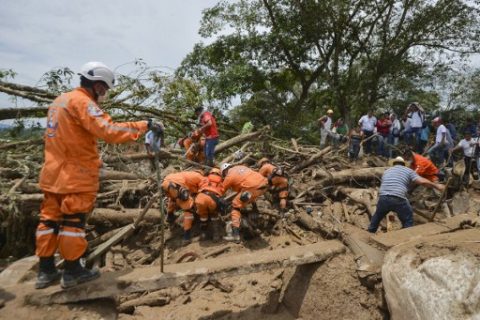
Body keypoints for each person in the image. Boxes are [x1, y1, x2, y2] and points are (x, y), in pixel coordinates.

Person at [35, 62, 160, 290]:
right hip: (74, 176)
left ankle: (45, 271)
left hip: (52, 173)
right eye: (105, 90)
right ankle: (72, 272)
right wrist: (144, 125)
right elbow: (109, 131)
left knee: (48, 221)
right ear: (99, 86)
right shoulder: (83, 102)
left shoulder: (59, 101)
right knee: (73, 223)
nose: (104, 95)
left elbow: (69, 138)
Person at [367, 157, 444, 233]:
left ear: (394, 164)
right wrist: (437, 186)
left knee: (377, 215)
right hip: (398, 198)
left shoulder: (387, 171)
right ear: (403, 165)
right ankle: (406, 235)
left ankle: (370, 231)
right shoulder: (408, 171)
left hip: (383, 197)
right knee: (408, 218)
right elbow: (422, 182)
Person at [221, 163, 268, 243]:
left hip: (251, 187)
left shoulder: (229, 176)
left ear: (225, 171)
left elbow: (221, 191)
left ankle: (235, 235)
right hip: (263, 184)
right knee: (248, 195)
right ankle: (255, 209)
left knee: (235, 206)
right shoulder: (241, 167)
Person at [162, 170, 204, 244]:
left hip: (167, 182)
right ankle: (186, 237)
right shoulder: (200, 177)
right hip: (176, 185)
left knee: (173, 199)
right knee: (189, 210)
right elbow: (202, 191)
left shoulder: (187, 174)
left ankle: (170, 216)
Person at [194, 167, 225, 241]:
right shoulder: (220, 181)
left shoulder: (204, 178)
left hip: (200, 198)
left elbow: (199, 186)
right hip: (212, 199)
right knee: (214, 215)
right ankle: (216, 235)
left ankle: (203, 234)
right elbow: (222, 191)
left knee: (203, 216)